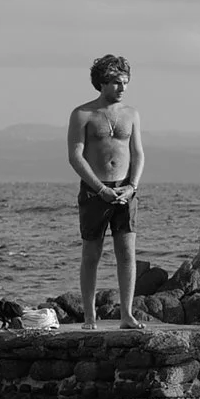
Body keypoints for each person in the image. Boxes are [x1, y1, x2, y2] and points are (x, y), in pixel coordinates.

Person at [66, 54, 144, 330]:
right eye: (116, 82)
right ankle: (89, 316)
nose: (122, 88)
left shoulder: (131, 114)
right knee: (91, 254)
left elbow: (138, 153)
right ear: (102, 83)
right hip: (94, 191)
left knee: (127, 253)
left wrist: (132, 186)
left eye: (125, 82)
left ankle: (127, 315)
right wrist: (99, 189)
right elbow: (75, 156)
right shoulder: (82, 114)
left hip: (125, 190)